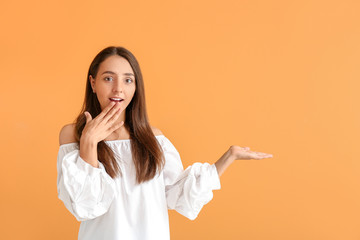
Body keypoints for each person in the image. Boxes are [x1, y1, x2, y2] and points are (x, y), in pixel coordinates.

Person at [57, 46, 273, 240]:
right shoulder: (73, 135)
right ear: (93, 83)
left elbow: (178, 194)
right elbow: (85, 206)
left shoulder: (154, 139)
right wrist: (90, 141)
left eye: (128, 80)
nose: (118, 89)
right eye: (108, 78)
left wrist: (229, 157)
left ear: (136, 87)